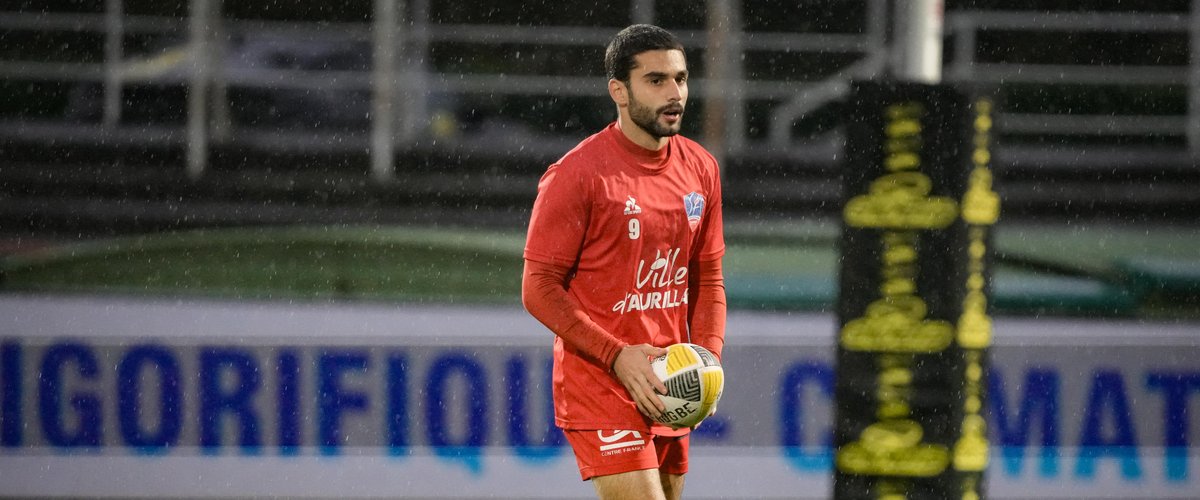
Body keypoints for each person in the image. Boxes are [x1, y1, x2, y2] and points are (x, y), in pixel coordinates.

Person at [521, 24, 727, 500]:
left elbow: (708, 278)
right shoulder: (577, 175)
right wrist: (617, 355)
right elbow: (538, 287)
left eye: (681, 78)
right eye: (656, 80)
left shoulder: (701, 168)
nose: (675, 93)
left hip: (672, 379)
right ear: (618, 90)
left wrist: (710, 356)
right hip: (601, 382)